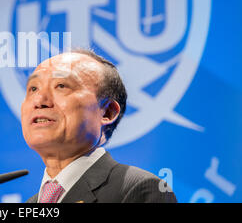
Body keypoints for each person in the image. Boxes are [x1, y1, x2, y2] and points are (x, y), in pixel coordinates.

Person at [21, 49, 177, 203]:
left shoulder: (138, 189)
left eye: (61, 85)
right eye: (33, 89)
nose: (39, 101)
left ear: (107, 112)